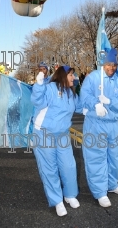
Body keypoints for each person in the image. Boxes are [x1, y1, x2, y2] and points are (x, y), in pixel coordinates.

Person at [80, 48, 118, 208]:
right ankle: (100, 192)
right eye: (108, 64)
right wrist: (95, 103)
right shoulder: (93, 78)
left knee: (115, 157)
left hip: (113, 123)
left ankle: (112, 185)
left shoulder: (117, 80)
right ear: (102, 64)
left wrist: (109, 101)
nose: (111, 68)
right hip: (95, 123)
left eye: (114, 65)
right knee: (97, 157)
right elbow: (84, 95)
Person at [31, 65, 82, 217]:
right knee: (49, 168)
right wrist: (39, 85)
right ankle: (57, 201)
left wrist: (97, 104)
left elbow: (80, 107)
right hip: (44, 133)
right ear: (62, 76)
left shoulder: (71, 93)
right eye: (71, 75)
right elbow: (37, 100)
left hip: (62, 134)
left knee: (69, 166)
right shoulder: (50, 88)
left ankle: (70, 195)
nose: (74, 77)